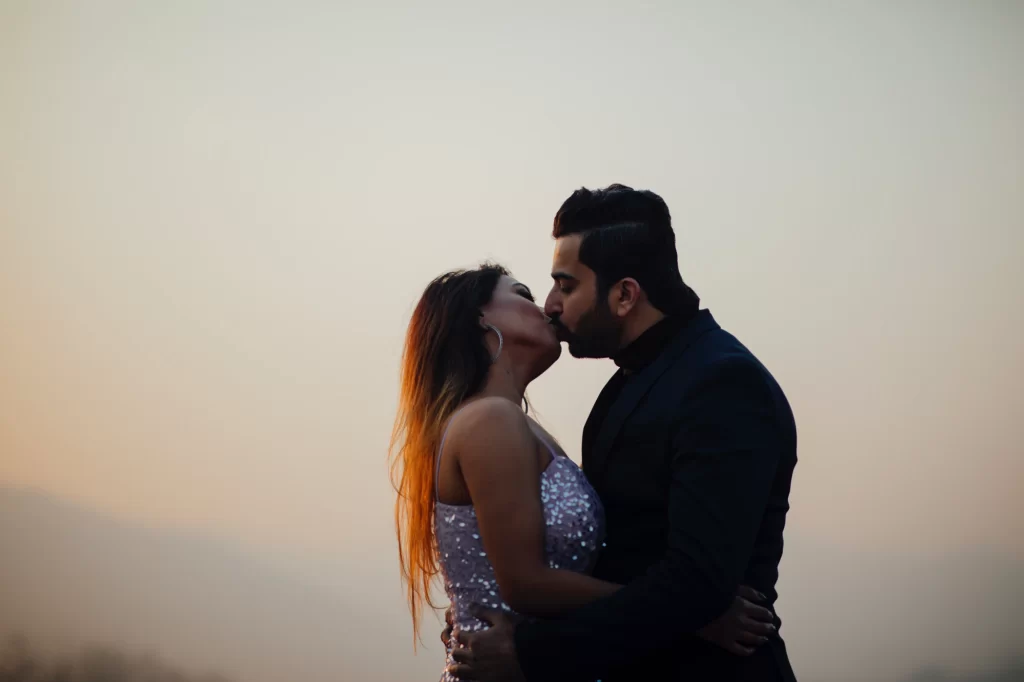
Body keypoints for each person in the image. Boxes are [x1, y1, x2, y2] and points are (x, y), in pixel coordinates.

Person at [446, 185, 799, 681]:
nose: (550, 305)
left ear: (625, 294)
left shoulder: (722, 383)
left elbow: (698, 582)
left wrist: (528, 651)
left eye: (565, 286)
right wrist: (479, 607)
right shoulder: (628, 386)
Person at [389, 262, 776, 682]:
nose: (548, 308)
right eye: (524, 295)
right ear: (479, 318)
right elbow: (526, 584)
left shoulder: (514, 425)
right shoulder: (489, 421)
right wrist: (690, 614)